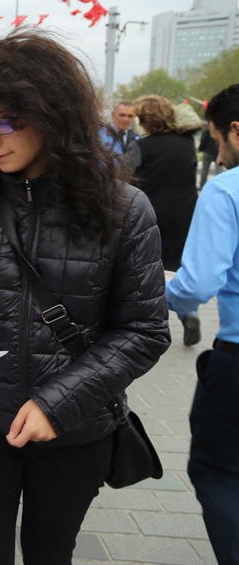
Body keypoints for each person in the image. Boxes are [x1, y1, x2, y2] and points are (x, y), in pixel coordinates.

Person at [0, 30, 170, 565]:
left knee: (48, 552)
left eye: (6, 122)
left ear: (54, 114)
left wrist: (56, 403)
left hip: (75, 430)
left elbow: (145, 332)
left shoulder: (125, 210)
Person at [165, 82, 239, 565]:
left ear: (234, 131)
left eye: (213, 139)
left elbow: (198, 284)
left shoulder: (226, 190)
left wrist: (158, 293)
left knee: (220, 474)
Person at [126, 95, 201, 345]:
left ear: (145, 120)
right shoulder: (187, 143)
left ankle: (155, 320)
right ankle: (189, 311)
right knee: (180, 264)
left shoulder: (141, 146)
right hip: (185, 214)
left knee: (151, 267)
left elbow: (125, 179)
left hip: (152, 213)